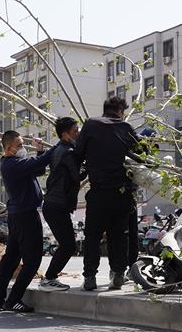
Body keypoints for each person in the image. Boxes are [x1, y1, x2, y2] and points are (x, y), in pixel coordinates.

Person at [73, 96, 143, 291]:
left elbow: (78, 154)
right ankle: (119, 274)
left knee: (93, 236)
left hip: (99, 192)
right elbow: (143, 153)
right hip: (122, 193)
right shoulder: (126, 127)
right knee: (119, 236)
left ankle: (90, 277)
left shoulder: (90, 124)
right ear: (120, 110)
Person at [0, 130, 53, 313]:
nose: (22, 148)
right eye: (19, 146)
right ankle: (13, 300)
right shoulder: (12, 165)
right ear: (9, 147)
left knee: (11, 258)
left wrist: (41, 150)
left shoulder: (15, 164)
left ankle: (0, 301)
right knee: (32, 261)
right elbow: (38, 163)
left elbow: (39, 168)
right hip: (25, 216)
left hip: (17, 215)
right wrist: (59, 146)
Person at [39, 117, 82, 291]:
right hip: (56, 205)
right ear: (65, 135)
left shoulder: (60, 149)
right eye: (74, 131)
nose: (78, 134)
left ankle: (49, 277)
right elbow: (77, 176)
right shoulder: (67, 152)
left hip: (55, 205)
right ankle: (49, 279)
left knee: (67, 244)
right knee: (69, 245)